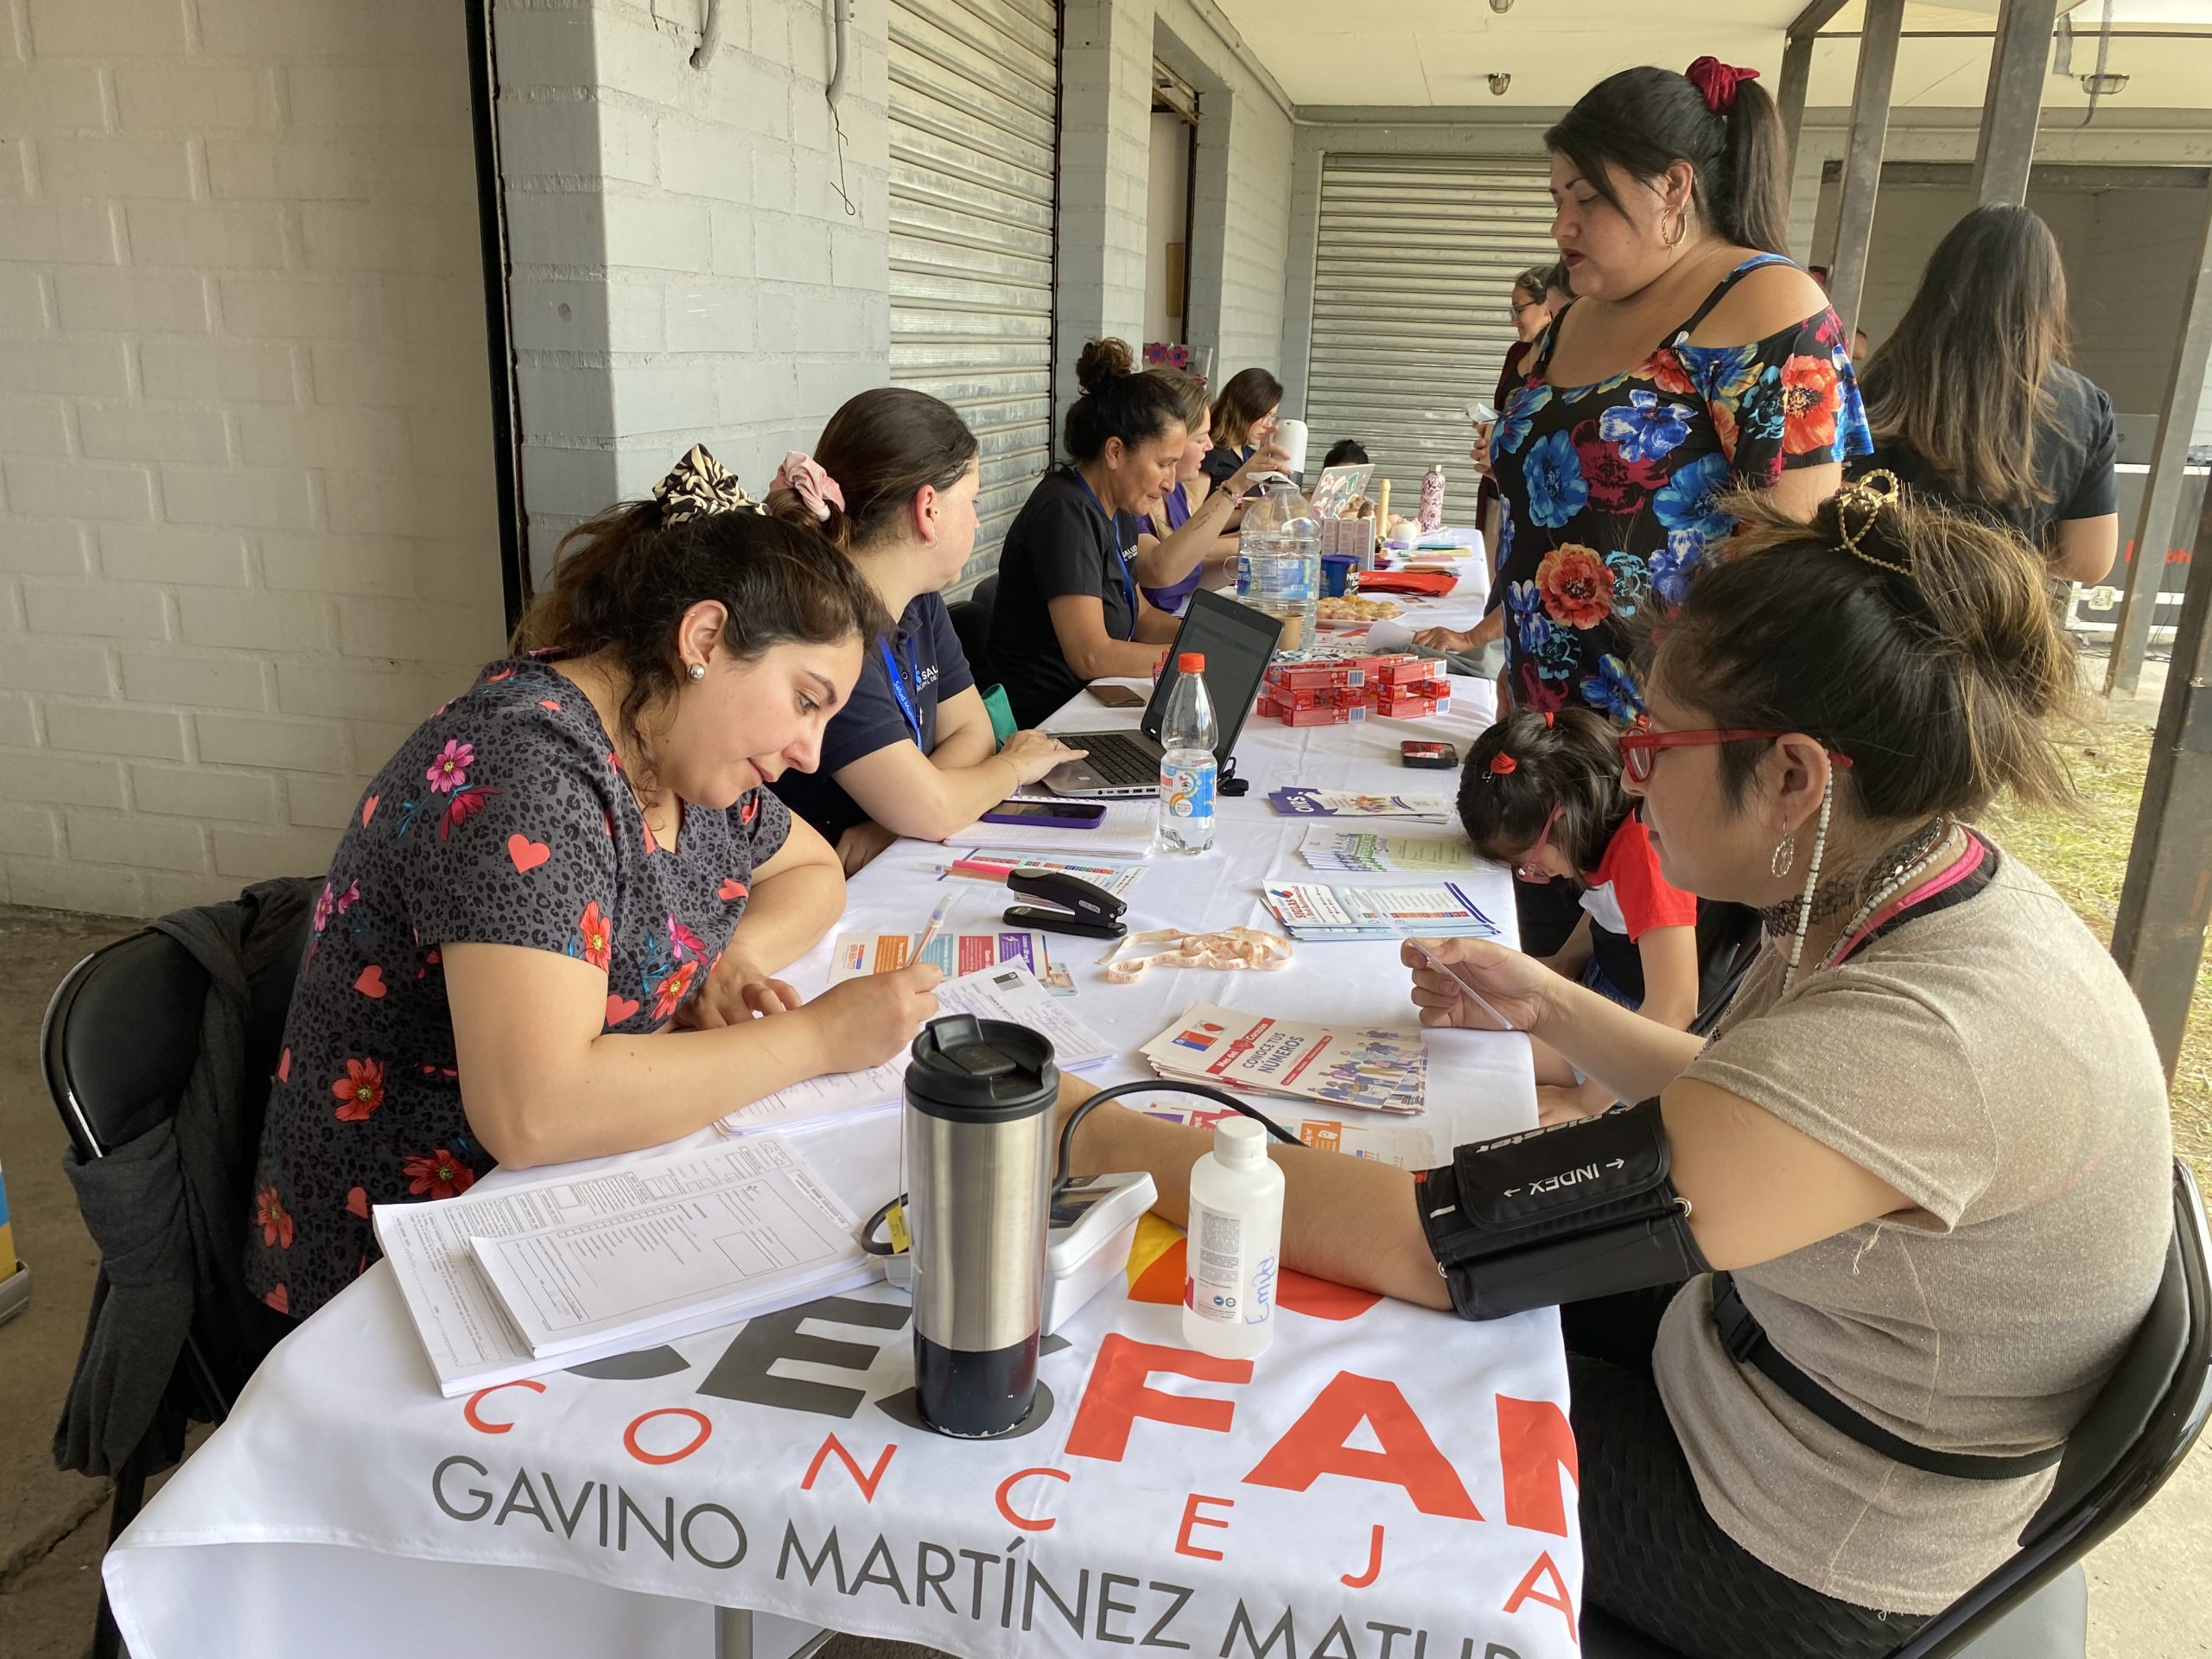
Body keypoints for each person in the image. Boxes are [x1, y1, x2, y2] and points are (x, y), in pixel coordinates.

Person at [1062, 475, 2173, 1659]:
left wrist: (1094, 1133)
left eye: (1653, 746)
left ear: (1795, 774)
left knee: (1342, 1381)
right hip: (1762, 1362)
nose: (1630, 777)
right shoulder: (1912, 879)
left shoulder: (1924, 1039)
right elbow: (1752, 1104)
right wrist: (1549, 1004)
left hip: (1803, 1541)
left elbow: (1443, 1246)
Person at [244, 447, 945, 1322]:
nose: (809, 752)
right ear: (702, 641)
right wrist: (816, 1042)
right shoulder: (527, 775)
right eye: (805, 701)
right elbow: (538, 1110)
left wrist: (735, 956)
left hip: (558, 1212)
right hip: (401, 1280)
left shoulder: (685, 750)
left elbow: (808, 869)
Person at [1416, 58, 1871, 715]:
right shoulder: (1575, 316)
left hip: (1665, 746)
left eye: (1586, 197)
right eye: (1556, 199)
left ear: (1674, 187)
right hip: (1536, 733)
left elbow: (1791, 572)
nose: (1560, 226)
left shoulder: (1766, 306)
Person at [760, 390, 1086, 873]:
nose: (977, 520)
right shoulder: (826, 629)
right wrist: (1011, 768)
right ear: (928, 510)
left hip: (891, 858)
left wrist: (900, 818)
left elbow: (972, 731)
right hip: (834, 888)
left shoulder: (920, 594)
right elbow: (935, 807)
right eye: (971, 501)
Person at [1850, 205, 2118, 585]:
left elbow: (1849, 506)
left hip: (1891, 618)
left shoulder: (1893, 377)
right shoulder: (2087, 406)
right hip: (2005, 626)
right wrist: (2000, 555)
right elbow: (2091, 561)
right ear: (2048, 296)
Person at [1458, 707, 1698, 1122]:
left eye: (1530, 864)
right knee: (1475, 1020)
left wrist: (1585, 1102)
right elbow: (1607, 910)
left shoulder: (1643, 853)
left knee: (1485, 1053)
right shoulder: (1596, 836)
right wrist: (1561, 962)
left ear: (1562, 817)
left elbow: (1675, 1009)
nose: (1537, 875)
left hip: (1636, 1038)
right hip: (1603, 999)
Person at [982, 340, 1189, 727]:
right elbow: (1091, 655)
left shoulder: (1119, 506)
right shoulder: (1064, 513)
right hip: (1044, 722)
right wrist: (1192, 660)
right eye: (1164, 464)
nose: (1171, 484)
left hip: (1091, 704)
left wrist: (1201, 638)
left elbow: (1139, 616)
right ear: (1114, 452)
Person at [1132, 368, 1285, 616]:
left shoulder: (1176, 493)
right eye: (1201, 437)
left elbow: (1191, 572)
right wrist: (1234, 488)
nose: (1210, 446)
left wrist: (1243, 566)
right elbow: (1162, 570)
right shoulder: (1131, 502)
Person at [1199, 365, 1281, 491]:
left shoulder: (1250, 454)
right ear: (1243, 409)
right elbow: (1193, 508)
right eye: (1264, 415)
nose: (1268, 424)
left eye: (1272, 416)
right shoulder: (1209, 453)